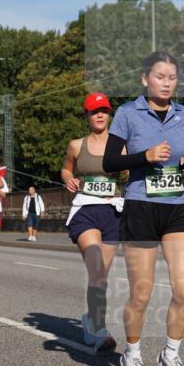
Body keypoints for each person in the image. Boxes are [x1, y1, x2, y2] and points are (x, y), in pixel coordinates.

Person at [102, 52, 184, 366]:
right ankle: (132, 353)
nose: (167, 82)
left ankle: (171, 354)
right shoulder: (128, 113)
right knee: (141, 295)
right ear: (145, 79)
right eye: (160, 76)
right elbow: (111, 161)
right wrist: (143, 157)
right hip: (141, 207)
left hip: (178, 207)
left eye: (172, 77)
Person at [61, 91, 121, 352]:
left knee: (101, 276)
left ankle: (89, 321)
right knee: (96, 267)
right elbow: (66, 168)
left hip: (112, 212)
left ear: (109, 114)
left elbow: (131, 173)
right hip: (85, 209)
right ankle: (99, 330)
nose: (100, 115)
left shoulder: (121, 145)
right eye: (95, 111)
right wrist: (68, 179)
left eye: (104, 111)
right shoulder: (76, 145)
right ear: (86, 115)